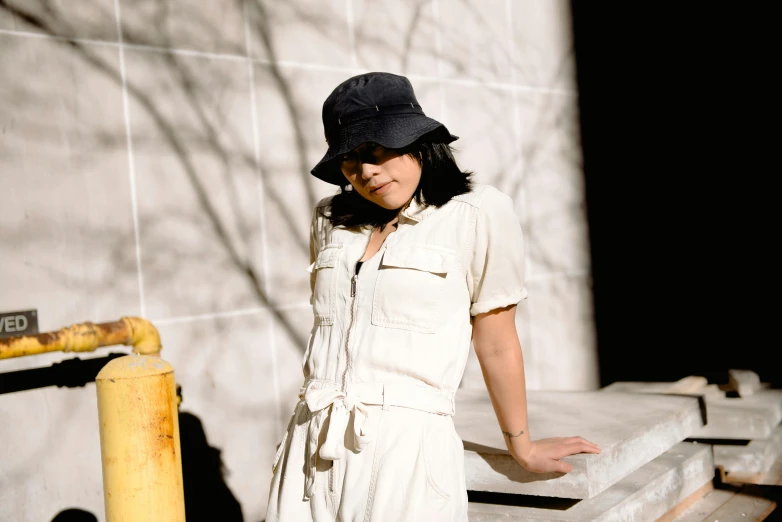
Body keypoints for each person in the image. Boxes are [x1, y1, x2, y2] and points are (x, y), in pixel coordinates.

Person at [265, 72, 600, 522]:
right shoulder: (330, 218)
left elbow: (496, 340)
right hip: (310, 444)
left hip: (408, 452)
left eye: (376, 151)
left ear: (418, 142)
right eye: (349, 161)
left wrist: (521, 444)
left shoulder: (478, 212)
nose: (366, 172)